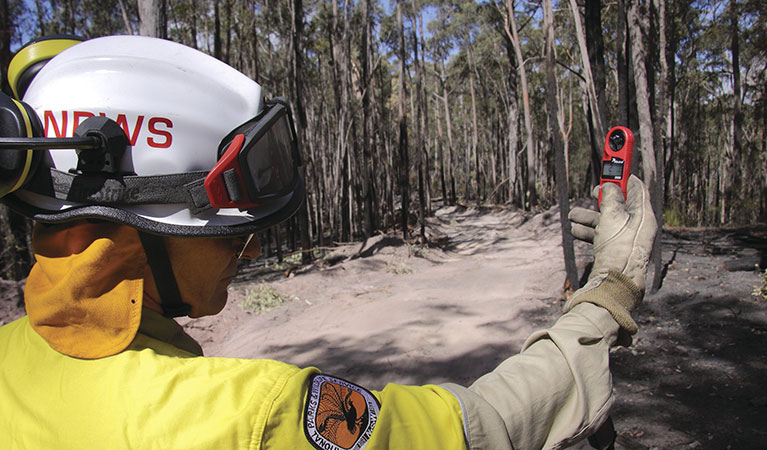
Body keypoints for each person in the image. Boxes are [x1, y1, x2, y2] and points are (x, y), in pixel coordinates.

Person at [0, 35, 657, 450]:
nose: (250, 250)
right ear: (133, 233)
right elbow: (474, 429)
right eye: (229, 231)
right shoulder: (245, 419)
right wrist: (606, 297)